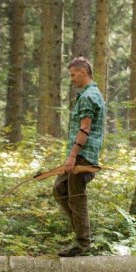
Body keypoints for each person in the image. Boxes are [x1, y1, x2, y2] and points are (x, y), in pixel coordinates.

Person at [54, 57, 106, 257]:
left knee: (76, 197)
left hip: (82, 156)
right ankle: (81, 235)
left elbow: (85, 128)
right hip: (80, 155)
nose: (72, 79)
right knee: (60, 190)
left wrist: (72, 156)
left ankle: (83, 243)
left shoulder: (88, 96)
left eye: (73, 75)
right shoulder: (89, 94)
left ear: (83, 72)